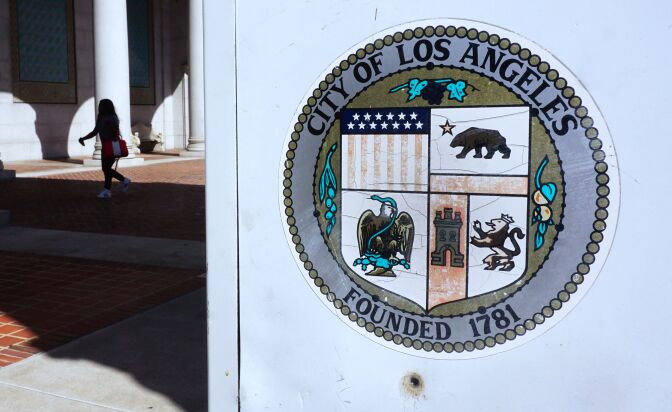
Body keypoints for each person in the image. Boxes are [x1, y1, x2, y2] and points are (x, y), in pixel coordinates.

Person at [79, 99, 131, 198]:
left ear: (104, 107)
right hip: (106, 147)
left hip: (110, 146)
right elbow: (95, 131)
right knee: (106, 169)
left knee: (106, 168)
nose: (99, 107)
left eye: (100, 105)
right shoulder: (105, 117)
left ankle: (121, 182)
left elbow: (113, 131)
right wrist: (83, 138)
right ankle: (110, 189)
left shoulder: (108, 118)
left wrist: (113, 134)